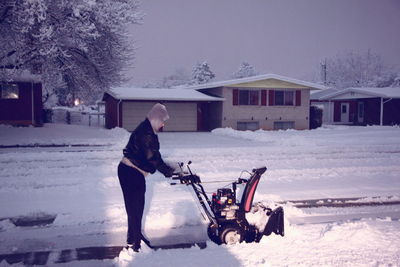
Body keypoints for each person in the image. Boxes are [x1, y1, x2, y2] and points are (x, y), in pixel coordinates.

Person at [117, 103, 175, 252]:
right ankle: (135, 244)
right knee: (135, 208)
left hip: (131, 171)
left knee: (135, 208)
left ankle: (134, 239)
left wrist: (169, 168)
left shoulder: (147, 130)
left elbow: (154, 154)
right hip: (131, 172)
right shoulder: (146, 133)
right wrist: (167, 171)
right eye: (162, 121)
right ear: (155, 119)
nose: (163, 124)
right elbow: (153, 158)